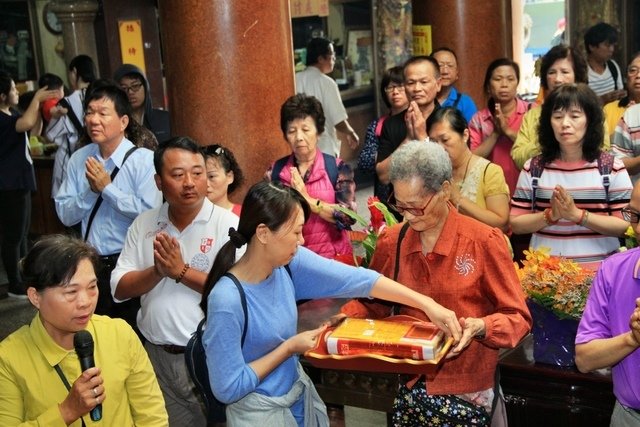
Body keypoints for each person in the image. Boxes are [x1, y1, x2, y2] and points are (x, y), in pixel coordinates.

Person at [201, 180, 463, 426]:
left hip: (296, 401)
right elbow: (228, 388)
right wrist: (289, 348)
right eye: (296, 232)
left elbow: (360, 280)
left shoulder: (288, 265)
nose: (302, 241)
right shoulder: (227, 299)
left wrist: (426, 303)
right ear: (263, 233)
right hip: (258, 414)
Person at [341, 141, 531, 426]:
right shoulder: (393, 240)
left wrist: (481, 327)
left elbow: (518, 318)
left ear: (444, 190)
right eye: (400, 205)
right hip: (410, 385)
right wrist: (340, 320)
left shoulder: (483, 241)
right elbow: (373, 304)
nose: (407, 216)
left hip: (467, 388)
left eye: (416, 207)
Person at [111, 136, 241, 427]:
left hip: (208, 356)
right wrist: (157, 271)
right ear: (159, 182)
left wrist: (181, 272)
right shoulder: (143, 224)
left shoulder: (226, 224)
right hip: (155, 356)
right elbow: (118, 289)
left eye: (198, 173)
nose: (190, 183)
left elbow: (239, 291)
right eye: (178, 175)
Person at [0, 235, 168, 426]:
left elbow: (152, 416)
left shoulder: (119, 334)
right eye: (71, 292)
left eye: (92, 287)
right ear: (35, 297)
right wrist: (66, 412)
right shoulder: (8, 358)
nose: (86, 302)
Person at [55, 82, 162, 321]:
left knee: (131, 332)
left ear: (123, 121)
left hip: (130, 264)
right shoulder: (79, 159)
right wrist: (92, 192)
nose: (94, 120)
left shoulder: (144, 161)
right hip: (89, 263)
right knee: (95, 332)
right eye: (90, 113)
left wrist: (107, 189)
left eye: (103, 113)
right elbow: (64, 213)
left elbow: (151, 213)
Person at [510, 84, 631, 269]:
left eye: (574, 116)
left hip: (601, 277)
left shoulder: (611, 167)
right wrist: (551, 215)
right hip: (545, 280)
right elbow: (516, 224)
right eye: (557, 116)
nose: (565, 123)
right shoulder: (533, 168)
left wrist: (578, 215)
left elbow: (626, 225)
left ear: (590, 120)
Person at [575, 183, 640, 425]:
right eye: (635, 215)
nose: (639, 228)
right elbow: (584, 359)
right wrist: (631, 339)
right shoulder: (614, 270)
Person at [268, 94, 356, 258]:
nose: (299, 137)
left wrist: (307, 200)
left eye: (306, 129)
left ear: (319, 132)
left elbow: (349, 216)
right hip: (293, 260)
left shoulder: (337, 168)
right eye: (292, 131)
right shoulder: (275, 171)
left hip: (333, 261)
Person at [0, 71, 61, 298]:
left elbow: (30, 128)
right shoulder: (2, 118)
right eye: (14, 90)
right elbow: (25, 122)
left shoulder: (11, 112)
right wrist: (37, 99)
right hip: (9, 183)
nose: (17, 93)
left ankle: (25, 276)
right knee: (13, 235)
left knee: (23, 232)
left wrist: (39, 112)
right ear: (2, 95)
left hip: (19, 180)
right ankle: (15, 283)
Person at [510, 45, 609, 170]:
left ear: (577, 76)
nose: (557, 79)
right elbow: (518, 157)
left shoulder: (593, 110)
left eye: (565, 72)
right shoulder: (532, 115)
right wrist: (548, 141)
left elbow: (603, 149)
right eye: (552, 72)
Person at [427, 107, 510, 232]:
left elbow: (501, 223)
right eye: (433, 142)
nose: (439, 148)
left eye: (445, 140)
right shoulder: (432, 173)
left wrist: (457, 198)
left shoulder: (490, 171)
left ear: (465, 135)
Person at [469, 58, 533, 195]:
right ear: (488, 86)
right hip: (491, 191)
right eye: (498, 79)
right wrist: (495, 134)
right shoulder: (479, 120)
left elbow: (538, 149)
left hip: (527, 187)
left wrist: (508, 131)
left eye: (510, 79)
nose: (504, 84)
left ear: (517, 84)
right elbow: (472, 159)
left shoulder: (531, 112)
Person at [376, 55, 441, 187]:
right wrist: (409, 140)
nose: (417, 88)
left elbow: (447, 173)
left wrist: (422, 137)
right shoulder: (391, 124)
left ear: (438, 84)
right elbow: (383, 176)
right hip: (401, 203)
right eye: (411, 83)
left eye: (424, 82)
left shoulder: (449, 120)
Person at [295, 37, 359, 156]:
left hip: (300, 148)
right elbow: (338, 119)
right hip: (324, 149)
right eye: (331, 54)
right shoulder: (327, 83)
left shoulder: (295, 79)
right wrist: (350, 132)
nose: (334, 58)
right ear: (320, 58)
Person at [46, 54, 97, 197]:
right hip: (99, 166)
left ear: (74, 72)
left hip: (71, 165)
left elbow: (51, 135)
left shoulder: (65, 104)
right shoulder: (103, 97)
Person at [358, 66, 409, 202]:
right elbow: (365, 163)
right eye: (390, 88)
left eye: (400, 86)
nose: (395, 92)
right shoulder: (378, 125)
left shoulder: (418, 121)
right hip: (385, 198)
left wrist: (384, 156)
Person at [114, 64, 171, 144]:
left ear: (145, 87)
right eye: (124, 88)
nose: (130, 92)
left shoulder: (165, 119)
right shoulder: (116, 125)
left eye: (135, 86)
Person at [584, 22, 626, 104]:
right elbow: (578, 102)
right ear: (592, 46)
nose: (611, 49)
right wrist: (602, 100)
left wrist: (621, 95)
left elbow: (620, 91)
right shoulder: (581, 70)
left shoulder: (613, 66)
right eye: (607, 45)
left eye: (613, 45)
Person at [432, 47, 477, 122]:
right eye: (440, 65)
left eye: (450, 66)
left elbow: (473, 132)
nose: (445, 71)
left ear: (457, 73)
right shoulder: (422, 99)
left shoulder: (465, 102)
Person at [604, 52, 640, 141]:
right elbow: (601, 148)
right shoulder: (609, 110)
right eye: (633, 70)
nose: (638, 75)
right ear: (626, 78)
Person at [203, 143, 244, 216]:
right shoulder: (189, 216)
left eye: (211, 176)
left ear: (229, 177)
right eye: (200, 177)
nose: (206, 184)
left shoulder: (243, 215)